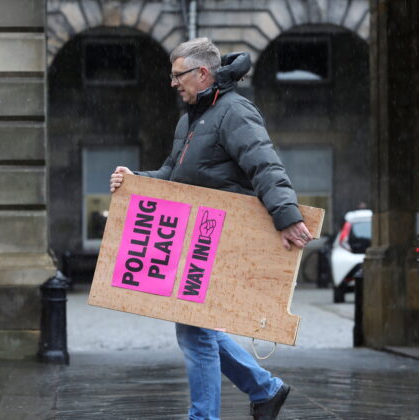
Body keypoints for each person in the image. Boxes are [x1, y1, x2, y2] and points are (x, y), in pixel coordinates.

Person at [109, 37, 312, 420]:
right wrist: (135, 180)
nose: (173, 83)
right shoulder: (192, 117)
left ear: (202, 73)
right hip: (196, 238)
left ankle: (207, 415)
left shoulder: (234, 112)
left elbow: (265, 166)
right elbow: (173, 176)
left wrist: (287, 218)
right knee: (197, 329)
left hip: (218, 238)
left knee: (195, 332)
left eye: (177, 75)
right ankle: (264, 389)